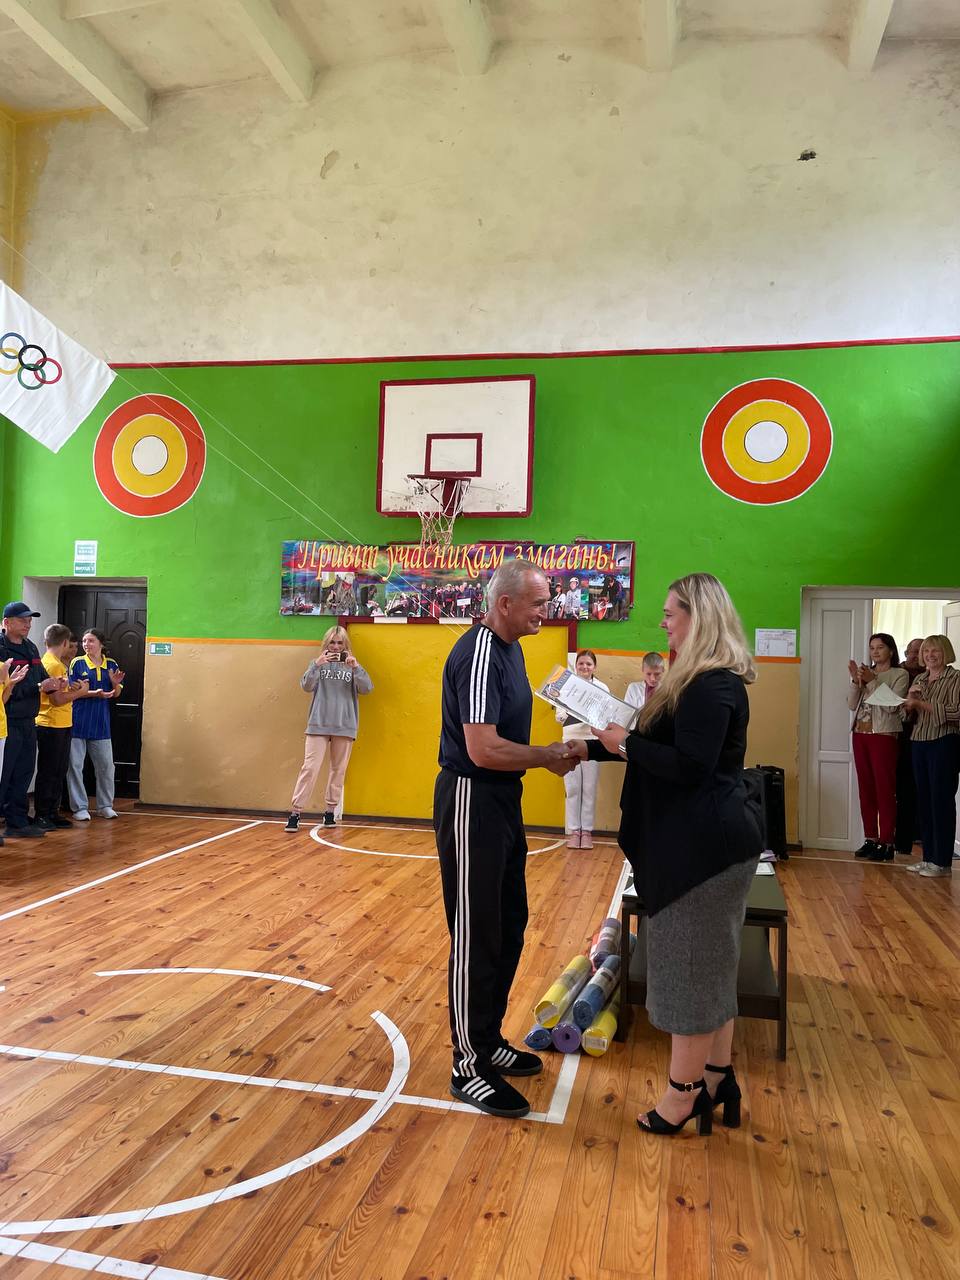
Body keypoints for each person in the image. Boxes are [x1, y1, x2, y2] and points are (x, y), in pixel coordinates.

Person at [568, 573, 760, 1137]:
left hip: (702, 852)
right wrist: (592, 748)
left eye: (670, 612)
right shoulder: (696, 679)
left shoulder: (710, 684)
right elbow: (658, 746)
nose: (663, 622)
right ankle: (718, 1079)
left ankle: (683, 1096)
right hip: (702, 844)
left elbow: (689, 766)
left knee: (688, 976)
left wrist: (623, 743)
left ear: (697, 616)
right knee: (712, 972)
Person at [434, 558, 577, 1118]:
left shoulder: (512, 650)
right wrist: (547, 756)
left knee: (508, 923)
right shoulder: (477, 652)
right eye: (538, 603)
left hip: (501, 801)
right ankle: (467, 1064)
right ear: (504, 604)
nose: (546, 610)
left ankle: (488, 1037)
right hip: (471, 798)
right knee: (476, 933)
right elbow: (483, 749)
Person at [283, 626, 372, 833]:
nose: (336, 647)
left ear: (345, 645)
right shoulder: (317, 664)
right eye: (332, 642)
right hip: (318, 724)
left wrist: (356, 668)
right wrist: (316, 665)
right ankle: (295, 812)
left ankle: (330, 811)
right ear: (326, 643)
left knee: (338, 770)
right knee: (310, 768)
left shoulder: (352, 665)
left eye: (340, 643)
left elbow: (367, 688)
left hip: (345, 725)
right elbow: (306, 686)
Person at [0, 602, 61, 839]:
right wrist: (37, 686)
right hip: (8, 721)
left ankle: (17, 822)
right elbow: (5, 688)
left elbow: (40, 676)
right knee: (4, 775)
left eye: (29, 620)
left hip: (28, 720)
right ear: (7, 622)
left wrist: (53, 684)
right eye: (22, 620)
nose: (28, 624)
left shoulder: (31, 647)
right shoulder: (2, 650)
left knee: (24, 773)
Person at [902, 634, 960, 878]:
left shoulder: (955, 678)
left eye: (934, 651)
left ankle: (942, 861)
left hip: (944, 742)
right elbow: (908, 716)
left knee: (941, 800)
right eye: (926, 651)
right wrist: (910, 701)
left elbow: (956, 712)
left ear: (945, 653)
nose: (929, 655)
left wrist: (922, 705)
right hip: (919, 741)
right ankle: (928, 858)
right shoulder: (920, 678)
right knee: (924, 801)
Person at [847, 633, 909, 862]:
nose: (875, 652)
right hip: (860, 733)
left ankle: (887, 841)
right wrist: (856, 681)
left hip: (883, 735)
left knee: (885, 789)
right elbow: (851, 704)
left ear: (890, 650)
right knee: (866, 789)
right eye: (872, 647)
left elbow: (892, 706)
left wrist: (872, 680)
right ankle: (871, 838)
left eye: (880, 647)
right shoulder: (866, 672)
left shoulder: (899, 674)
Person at [34, 623, 90, 830]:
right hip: (51, 723)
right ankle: (43, 814)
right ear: (65, 642)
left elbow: (59, 692)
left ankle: (52, 812)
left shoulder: (53, 662)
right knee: (50, 771)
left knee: (58, 770)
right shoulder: (53, 665)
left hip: (61, 722)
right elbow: (57, 700)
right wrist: (81, 693)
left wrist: (71, 688)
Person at [67, 628, 124, 821]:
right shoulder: (77, 663)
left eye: (90, 641)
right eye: (84, 641)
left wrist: (114, 684)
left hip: (101, 723)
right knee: (75, 766)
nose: (86, 644)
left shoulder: (112, 664)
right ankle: (79, 808)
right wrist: (95, 693)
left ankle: (105, 806)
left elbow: (116, 694)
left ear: (101, 643)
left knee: (106, 766)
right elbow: (75, 691)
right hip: (78, 721)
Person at [555, 650, 609, 850]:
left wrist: (592, 716)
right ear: (576, 665)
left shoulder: (602, 688)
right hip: (570, 740)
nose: (584, 667)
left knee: (589, 788)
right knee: (572, 788)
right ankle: (574, 831)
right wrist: (572, 711)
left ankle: (586, 832)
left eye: (588, 664)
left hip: (592, 742)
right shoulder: (567, 685)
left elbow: (607, 715)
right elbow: (559, 716)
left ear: (594, 667)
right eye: (581, 664)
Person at [895, 637, 925, 853]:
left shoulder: (928, 676)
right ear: (906, 653)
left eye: (920, 652)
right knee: (902, 790)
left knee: (919, 790)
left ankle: (919, 836)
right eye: (913, 651)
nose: (916, 656)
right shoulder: (897, 672)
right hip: (901, 736)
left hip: (925, 736)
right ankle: (900, 841)